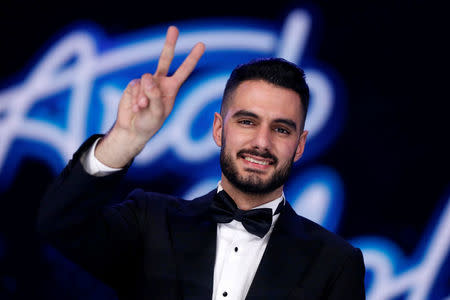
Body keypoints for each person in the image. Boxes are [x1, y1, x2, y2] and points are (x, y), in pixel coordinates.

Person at [38, 26, 365, 299]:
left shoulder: (335, 263)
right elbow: (60, 223)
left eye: (280, 129)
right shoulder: (151, 222)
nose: (262, 142)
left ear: (300, 145)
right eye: (247, 122)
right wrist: (125, 137)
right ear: (219, 129)